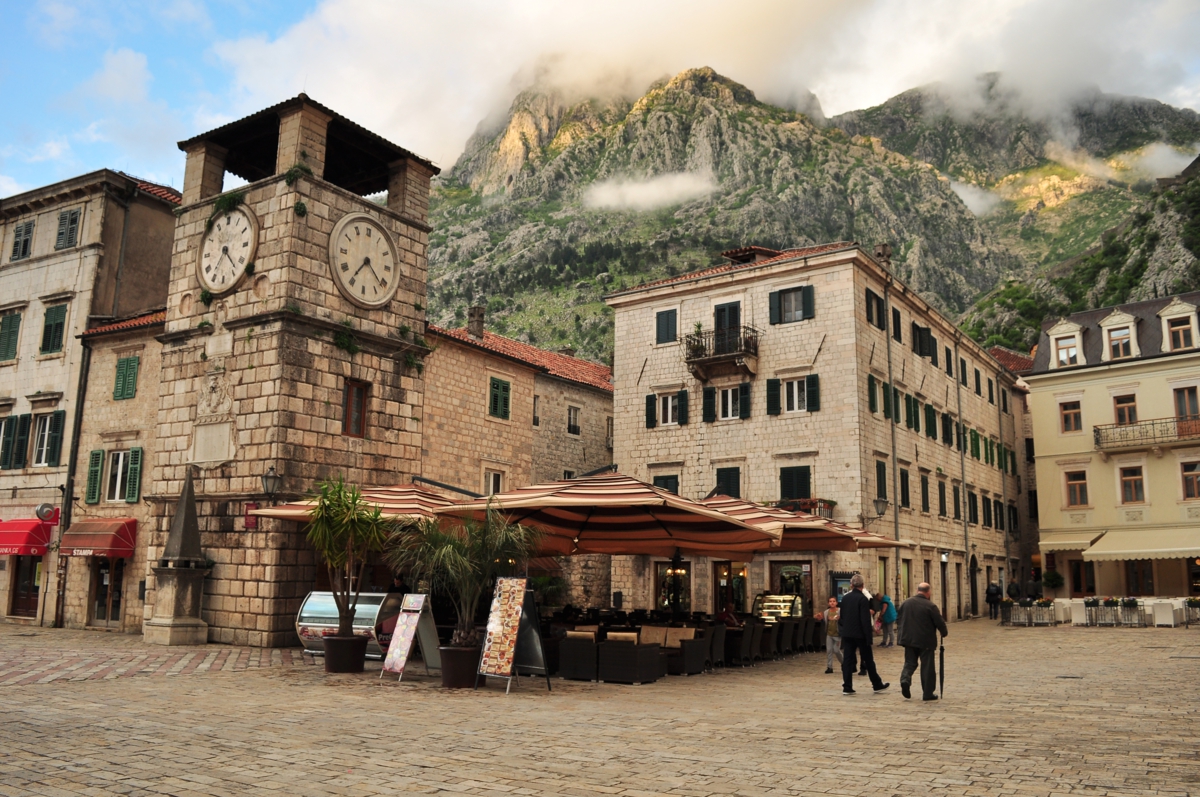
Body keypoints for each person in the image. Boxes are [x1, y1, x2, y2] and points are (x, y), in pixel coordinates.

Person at [897, 581, 949, 701]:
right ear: (928, 592)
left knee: (910, 662)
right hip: (925, 640)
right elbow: (939, 622)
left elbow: (899, 619)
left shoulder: (906, 603)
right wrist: (944, 632)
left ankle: (905, 679)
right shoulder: (930, 605)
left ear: (917, 590)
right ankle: (927, 693)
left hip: (908, 639)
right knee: (927, 666)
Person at [838, 574, 889, 695]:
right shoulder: (863, 599)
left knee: (848, 660)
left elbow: (842, 617)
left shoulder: (845, 598)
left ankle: (847, 686)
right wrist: (869, 637)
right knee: (868, 660)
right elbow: (865, 619)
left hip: (848, 633)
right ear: (863, 585)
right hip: (860, 634)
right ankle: (876, 684)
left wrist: (843, 630)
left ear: (851, 585)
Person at [822, 597, 842, 673]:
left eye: (834, 601)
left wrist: (839, 619)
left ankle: (844, 663)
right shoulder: (826, 612)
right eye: (830, 601)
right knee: (829, 650)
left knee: (836, 650)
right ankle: (829, 667)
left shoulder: (840, 611)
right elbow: (825, 622)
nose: (832, 603)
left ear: (836, 603)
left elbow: (844, 619)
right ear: (828, 603)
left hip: (837, 634)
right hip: (829, 634)